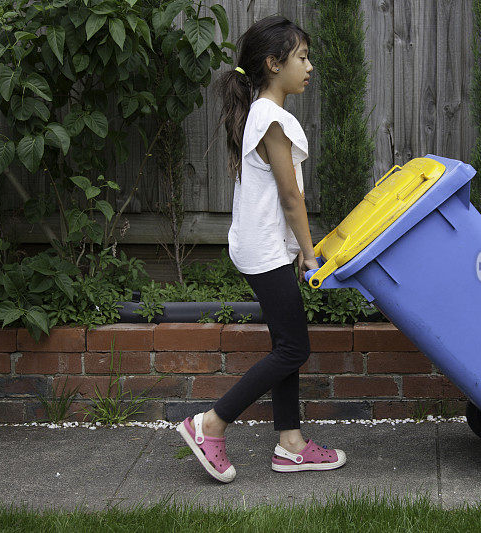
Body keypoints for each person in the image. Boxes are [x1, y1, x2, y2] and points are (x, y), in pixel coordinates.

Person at [176, 14, 347, 483]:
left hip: (261, 246)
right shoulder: (272, 117)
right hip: (266, 250)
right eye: (302, 57)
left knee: (285, 344)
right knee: (293, 348)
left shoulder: (261, 112)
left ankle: (290, 444)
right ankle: (210, 423)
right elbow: (292, 196)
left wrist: (295, 245)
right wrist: (308, 251)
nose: (309, 66)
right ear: (273, 64)